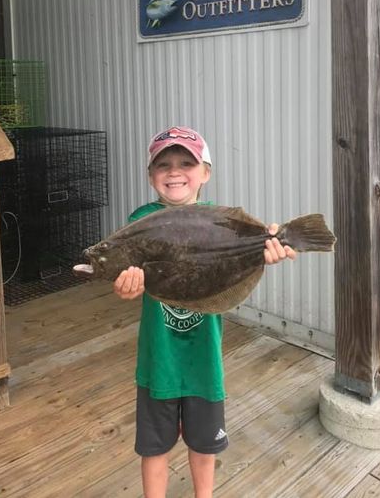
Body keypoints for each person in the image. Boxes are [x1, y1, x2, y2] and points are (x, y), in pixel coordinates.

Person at [114, 126, 296, 498]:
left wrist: (272, 243)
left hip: (204, 361)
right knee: (154, 447)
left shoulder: (221, 219)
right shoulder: (141, 222)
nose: (174, 171)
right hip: (158, 362)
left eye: (186, 162)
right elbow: (124, 272)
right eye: (163, 165)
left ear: (206, 173)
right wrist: (123, 284)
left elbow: (254, 241)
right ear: (151, 177)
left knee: (204, 445)